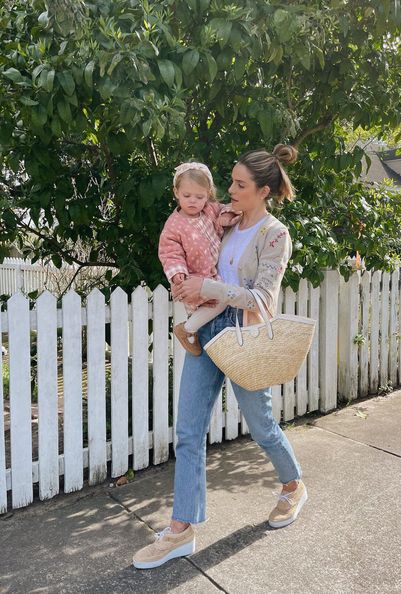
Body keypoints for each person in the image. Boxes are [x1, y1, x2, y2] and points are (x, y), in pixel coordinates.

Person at [133, 144, 307, 570]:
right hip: (208, 332)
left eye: (239, 184)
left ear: (263, 191)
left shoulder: (274, 235)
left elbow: (262, 299)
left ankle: (293, 485)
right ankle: (181, 529)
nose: (228, 189)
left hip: (243, 336)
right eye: (229, 180)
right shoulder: (221, 221)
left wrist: (207, 289)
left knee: (262, 426)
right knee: (189, 432)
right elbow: (185, 251)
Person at [158, 161, 241, 355]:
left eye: (199, 196)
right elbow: (170, 252)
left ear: (208, 194)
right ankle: (187, 329)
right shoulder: (174, 225)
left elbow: (224, 209)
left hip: (213, 273)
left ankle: (191, 329)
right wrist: (178, 272)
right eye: (187, 196)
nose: (193, 201)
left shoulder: (209, 210)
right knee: (220, 302)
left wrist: (225, 217)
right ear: (176, 192)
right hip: (193, 278)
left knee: (221, 300)